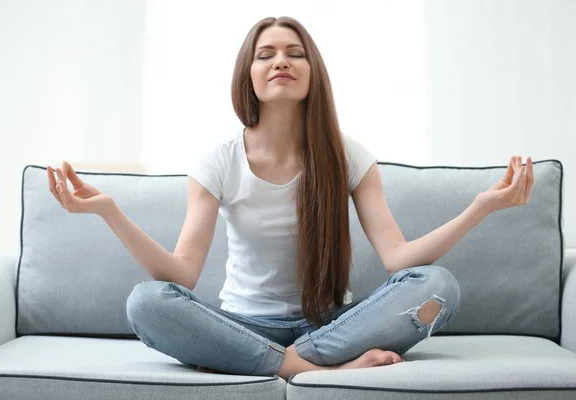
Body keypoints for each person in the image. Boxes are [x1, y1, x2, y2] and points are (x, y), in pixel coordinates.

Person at [47, 16, 533, 382]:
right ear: (249, 75)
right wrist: (110, 211)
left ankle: (279, 362)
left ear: (312, 71)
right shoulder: (218, 160)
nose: (280, 60)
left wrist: (480, 207)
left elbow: (399, 259)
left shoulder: (348, 155)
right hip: (243, 323)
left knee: (437, 285)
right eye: (266, 54)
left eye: (294, 52)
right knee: (147, 301)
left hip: (333, 322)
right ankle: (311, 368)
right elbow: (181, 275)